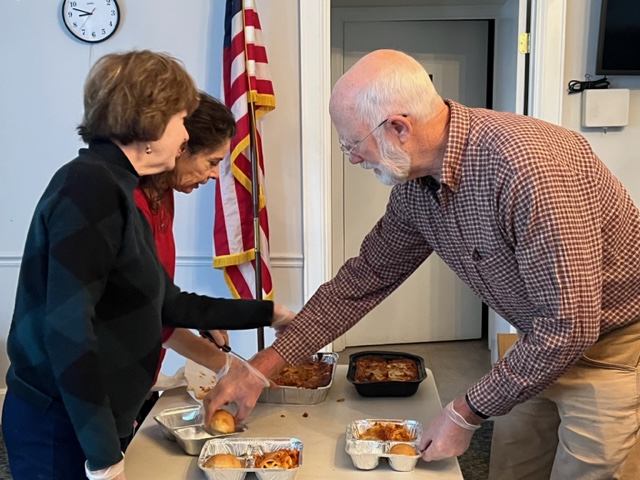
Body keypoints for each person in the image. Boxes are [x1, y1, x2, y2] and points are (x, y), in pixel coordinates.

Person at [203, 49, 640, 480]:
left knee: (589, 472)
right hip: (535, 342)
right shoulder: (416, 185)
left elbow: (571, 325)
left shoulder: (527, 169)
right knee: (515, 468)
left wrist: (463, 413)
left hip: (611, 349)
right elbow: (364, 278)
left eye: (352, 144)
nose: (352, 158)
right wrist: (259, 371)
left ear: (398, 127)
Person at [2, 50, 291, 480]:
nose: (183, 135)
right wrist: (102, 459)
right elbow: (67, 332)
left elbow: (167, 303)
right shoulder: (90, 187)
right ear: (150, 124)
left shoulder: (116, 185)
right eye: (181, 119)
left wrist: (267, 313)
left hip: (97, 421)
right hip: (62, 430)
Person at [127, 91, 241, 440]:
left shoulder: (164, 196)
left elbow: (159, 296)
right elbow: (146, 316)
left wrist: (193, 317)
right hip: (85, 403)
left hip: (129, 388)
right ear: (180, 148)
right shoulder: (128, 203)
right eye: (210, 161)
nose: (213, 175)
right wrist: (228, 367)